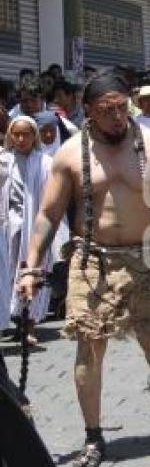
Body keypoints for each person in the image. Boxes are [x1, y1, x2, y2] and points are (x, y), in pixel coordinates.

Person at [16, 73, 150, 467]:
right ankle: (93, 436)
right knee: (88, 346)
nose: (118, 117)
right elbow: (48, 214)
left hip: (144, 260)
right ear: (89, 111)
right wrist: (32, 264)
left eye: (123, 108)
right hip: (91, 262)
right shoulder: (70, 154)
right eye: (108, 110)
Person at [0, 116, 65, 346]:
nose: (20, 139)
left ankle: (30, 325)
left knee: (34, 272)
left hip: (35, 228)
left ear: (33, 136)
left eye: (25, 134)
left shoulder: (46, 163)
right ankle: (15, 321)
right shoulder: (5, 162)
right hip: (9, 229)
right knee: (9, 275)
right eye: (16, 134)